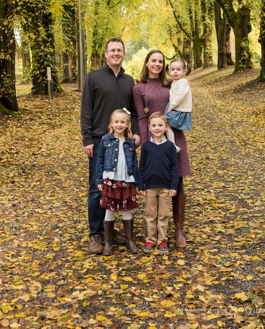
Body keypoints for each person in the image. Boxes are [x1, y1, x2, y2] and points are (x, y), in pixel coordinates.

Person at [80, 38, 138, 254]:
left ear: (124, 54)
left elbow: (133, 111)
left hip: (123, 143)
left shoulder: (129, 81)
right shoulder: (93, 78)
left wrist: (137, 135)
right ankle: (96, 234)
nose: (116, 53)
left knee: (121, 186)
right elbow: (86, 110)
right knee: (98, 188)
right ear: (105, 54)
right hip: (98, 140)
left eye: (119, 50)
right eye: (112, 50)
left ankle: (111, 232)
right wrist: (87, 139)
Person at [132, 50, 193, 248]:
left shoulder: (172, 82)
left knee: (178, 179)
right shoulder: (139, 87)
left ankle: (179, 229)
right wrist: (146, 139)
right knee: (155, 181)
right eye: (153, 61)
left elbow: (183, 101)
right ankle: (155, 232)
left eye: (160, 61)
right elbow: (141, 116)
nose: (157, 64)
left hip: (175, 136)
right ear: (147, 63)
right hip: (153, 139)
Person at [95, 109, 141, 256]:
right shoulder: (105, 140)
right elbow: (100, 160)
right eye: (116, 122)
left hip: (126, 179)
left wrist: (137, 181)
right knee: (110, 209)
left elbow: (134, 162)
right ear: (111, 123)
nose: (119, 125)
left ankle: (129, 240)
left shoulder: (130, 143)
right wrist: (99, 179)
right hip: (111, 179)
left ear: (127, 124)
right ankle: (108, 242)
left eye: (122, 122)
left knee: (126, 208)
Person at [138, 112, 181, 255]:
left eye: (160, 125)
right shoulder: (146, 146)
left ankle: (162, 239)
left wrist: (173, 186)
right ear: (149, 128)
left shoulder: (170, 146)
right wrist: (140, 184)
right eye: (154, 125)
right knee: (151, 214)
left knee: (163, 214)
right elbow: (142, 166)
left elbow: (175, 167)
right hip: (150, 186)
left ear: (166, 127)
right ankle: (150, 239)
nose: (157, 128)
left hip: (165, 186)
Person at [165, 58, 193, 132]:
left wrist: (171, 106)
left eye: (178, 69)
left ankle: (171, 143)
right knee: (166, 125)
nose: (175, 72)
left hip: (178, 109)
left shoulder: (183, 81)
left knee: (166, 125)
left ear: (184, 71)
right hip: (175, 107)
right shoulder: (175, 81)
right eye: (173, 69)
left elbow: (180, 96)